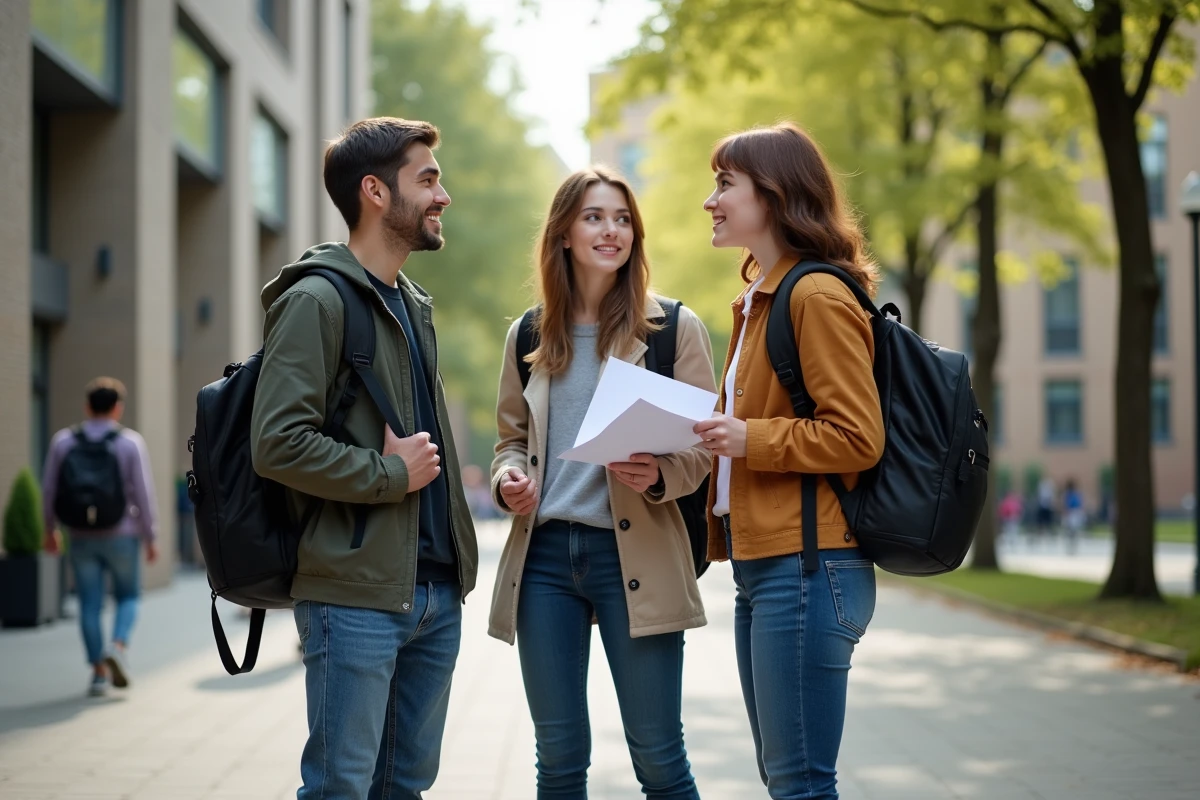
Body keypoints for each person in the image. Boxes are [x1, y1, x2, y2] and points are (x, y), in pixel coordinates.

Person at [250, 117, 479, 799]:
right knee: (340, 789)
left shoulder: (414, 304)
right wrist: (389, 474)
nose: (443, 196)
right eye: (428, 180)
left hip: (434, 593)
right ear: (375, 192)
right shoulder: (315, 299)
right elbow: (277, 442)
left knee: (404, 787)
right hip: (353, 596)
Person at [489, 166, 715, 799]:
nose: (611, 230)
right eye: (594, 217)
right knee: (558, 759)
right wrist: (509, 478)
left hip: (633, 552)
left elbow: (705, 443)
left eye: (622, 219)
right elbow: (510, 439)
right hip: (545, 561)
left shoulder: (673, 328)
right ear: (563, 232)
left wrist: (661, 473)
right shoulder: (529, 333)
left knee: (659, 755)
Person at [692, 122, 886, 800]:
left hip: (807, 567)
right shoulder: (764, 299)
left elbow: (857, 437)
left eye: (725, 184)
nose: (710, 201)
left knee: (800, 782)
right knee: (788, 779)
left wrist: (749, 438)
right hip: (769, 567)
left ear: (772, 195)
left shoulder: (814, 296)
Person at [41, 377, 159, 697]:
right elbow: (144, 494)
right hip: (122, 534)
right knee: (129, 596)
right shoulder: (129, 443)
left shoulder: (63, 442)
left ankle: (97, 673)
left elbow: (49, 489)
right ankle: (117, 647)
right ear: (117, 408)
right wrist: (151, 536)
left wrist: (50, 530)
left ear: (87, 407)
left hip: (81, 535)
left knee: (89, 604)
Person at [1062, 479, 1086, 554]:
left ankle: (1072, 546)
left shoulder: (1070, 494)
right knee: (1072, 531)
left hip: (1073, 513)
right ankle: (1072, 546)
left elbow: (1067, 505)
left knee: (1072, 531)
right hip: (1074, 513)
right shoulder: (1073, 494)